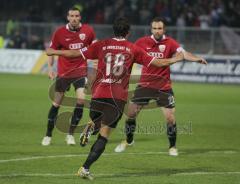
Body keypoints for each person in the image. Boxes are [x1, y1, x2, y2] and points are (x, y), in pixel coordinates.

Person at [46, 17, 206, 180]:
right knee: (104, 136)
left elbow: (75, 53)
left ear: (113, 30)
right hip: (117, 97)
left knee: (98, 122)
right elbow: (158, 63)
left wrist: (54, 52)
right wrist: (175, 59)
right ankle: (85, 168)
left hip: (98, 94)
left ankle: (92, 125)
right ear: (128, 33)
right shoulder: (132, 48)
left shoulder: (101, 44)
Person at [114, 17, 208, 156]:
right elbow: (129, 55)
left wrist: (197, 58)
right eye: (155, 28)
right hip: (145, 85)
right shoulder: (142, 42)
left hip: (163, 86)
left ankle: (172, 147)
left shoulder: (170, 42)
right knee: (131, 114)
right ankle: (128, 141)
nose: (157, 31)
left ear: (164, 29)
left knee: (170, 117)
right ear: (151, 29)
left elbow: (183, 54)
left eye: (159, 28)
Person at [41, 7, 96, 146]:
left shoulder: (88, 31)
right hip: (64, 73)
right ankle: (48, 135)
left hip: (80, 72)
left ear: (80, 17)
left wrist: (95, 67)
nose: (74, 18)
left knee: (81, 100)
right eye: (71, 16)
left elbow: (94, 49)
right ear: (67, 17)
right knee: (56, 103)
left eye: (76, 16)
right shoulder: (59, 33)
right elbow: (51, 52)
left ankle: (70, 135)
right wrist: (50, 69)